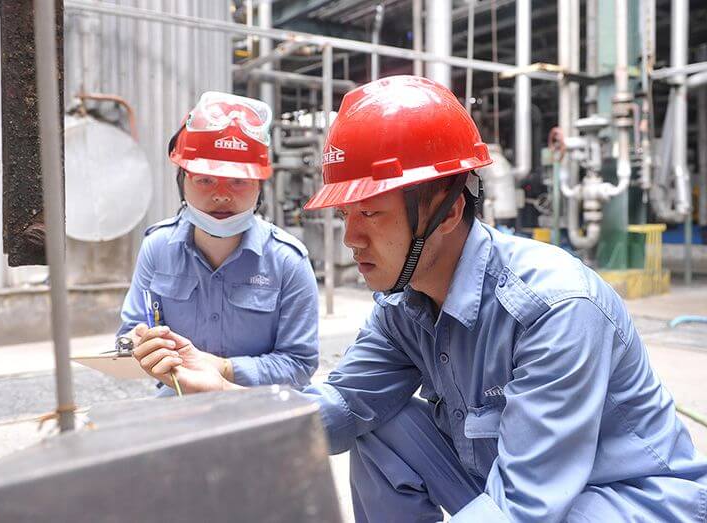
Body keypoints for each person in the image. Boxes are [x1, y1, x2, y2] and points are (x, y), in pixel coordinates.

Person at [135, 76, 707, 522]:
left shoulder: (554, 310)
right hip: (503, 489)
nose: (351, 238)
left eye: (372, 213)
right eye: (344, 215)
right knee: (376, 421)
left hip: (620, 501)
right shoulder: (402, 306)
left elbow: (530, 506)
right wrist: (229, 393)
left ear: (449, 210)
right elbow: (340, 408)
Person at [118, 91, 319, 394]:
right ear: (182, 180)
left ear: (259, 186)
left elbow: (300, 364)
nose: (222, 194)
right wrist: (135, 344)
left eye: (239, 181)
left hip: (259, 409)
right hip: (178, 403)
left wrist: (223, 369)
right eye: (205, 179)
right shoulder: (157, 248)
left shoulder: (287, 261)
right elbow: (127, 335)